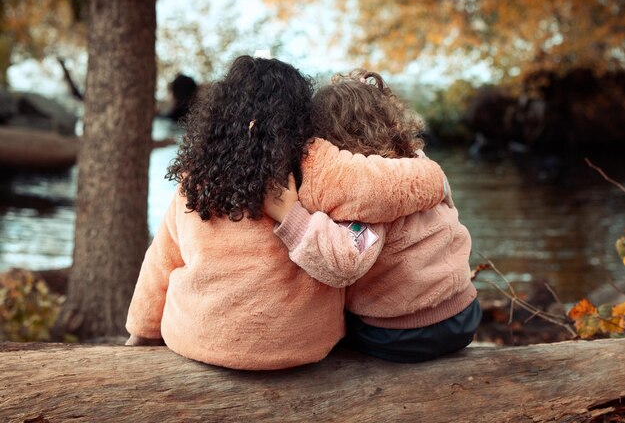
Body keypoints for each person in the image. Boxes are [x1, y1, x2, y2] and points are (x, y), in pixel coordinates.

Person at [125, 56, 451, 370]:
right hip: (298, 345)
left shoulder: (196, 178)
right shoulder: (316, 163)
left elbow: (160, 260)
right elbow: (381, 190)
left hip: (197, 337)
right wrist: (431, 175)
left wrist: (141, 333)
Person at [265, 70, 480, 363]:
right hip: (464, 313)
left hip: (403, 334)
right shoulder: (417, 161)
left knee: (331, 325)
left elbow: (347, 258)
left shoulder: (367, 196)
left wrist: (291, 217)